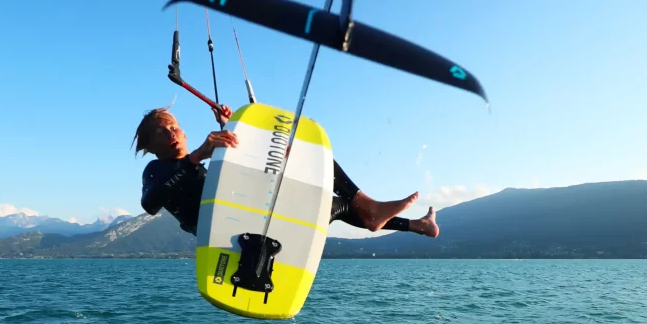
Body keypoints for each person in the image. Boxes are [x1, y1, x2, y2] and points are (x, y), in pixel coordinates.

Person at [134, 106, 439, 239]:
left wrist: (233, 128)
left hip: (252, 210)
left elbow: (249, 162)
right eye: (161, 132)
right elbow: (151, 203)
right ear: (151, 145)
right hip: (225, 228)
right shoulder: (156, 170)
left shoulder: (202, 162)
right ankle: (375, 210)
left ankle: (413, 225)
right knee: (330, 202)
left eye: (174, 127)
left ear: (184, 132)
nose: (171, 133)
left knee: (330, 191)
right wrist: (197, 156)